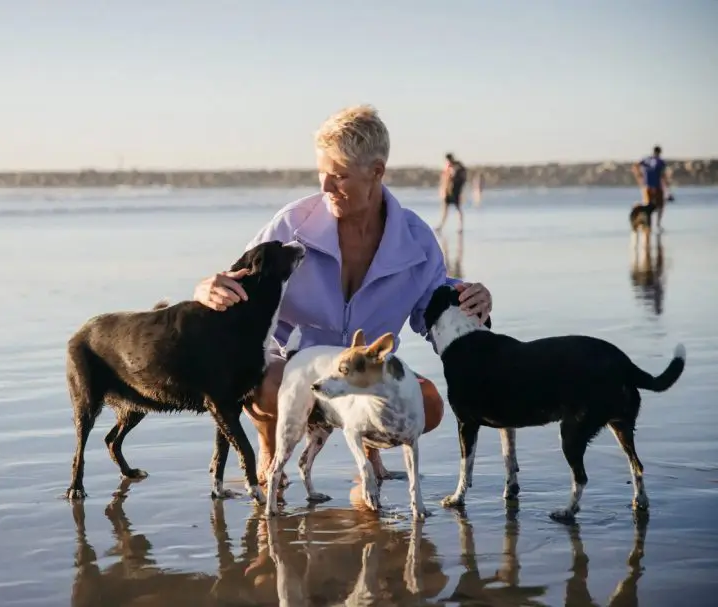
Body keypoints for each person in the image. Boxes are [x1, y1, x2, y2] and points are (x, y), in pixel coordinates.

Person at [193, 105, 493, 485]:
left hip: (361, 374)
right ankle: (269, 440)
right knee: (260, 380)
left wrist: (471, 302)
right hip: (293, 368)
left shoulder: (416, 239)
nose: (325, 188)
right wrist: (206, 289)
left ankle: (367, 452)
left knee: (428, 404)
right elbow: (237, 283)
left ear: (376, 172)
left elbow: (431, 306)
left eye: (338, 176)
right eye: (321, 174)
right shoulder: (292, 224)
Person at [632, 145, 673, 231]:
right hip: (657, 186)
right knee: (660, 206)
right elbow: (663, 175)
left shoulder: (646, 159)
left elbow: (635, 166)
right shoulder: (660, 162)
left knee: (647, 207)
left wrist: (639, 176)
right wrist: (668, 187)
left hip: (646, 186)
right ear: (659, 152)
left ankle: (646, 224)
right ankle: (658, 224)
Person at [435, 153, 468, 233]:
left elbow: (461, 179)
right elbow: (444, 180)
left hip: (455, 191)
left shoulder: (458, 167)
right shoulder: (448, 168)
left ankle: (460, 227)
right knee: (445, 210)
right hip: (448, 192)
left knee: (458, 209)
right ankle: (440, 226)